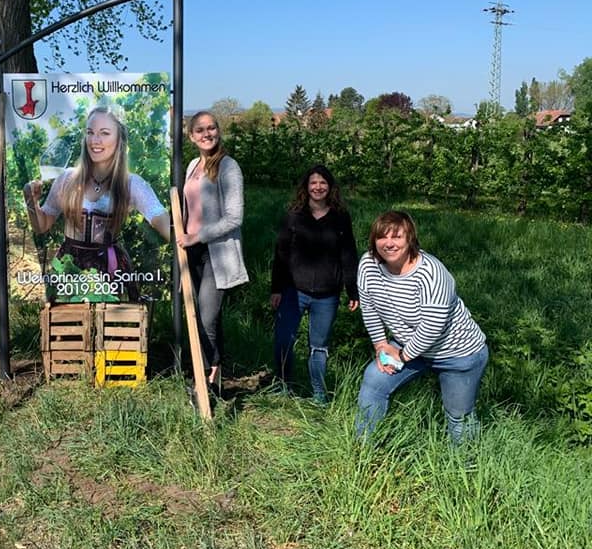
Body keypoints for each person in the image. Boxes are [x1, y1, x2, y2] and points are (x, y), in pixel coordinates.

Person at [355, 211, 488, 444]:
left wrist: (403, 355)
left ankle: (466, 468)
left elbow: (432, 326)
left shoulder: (431, 273)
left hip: (457, 352)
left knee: (458, 416)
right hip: (409, 345)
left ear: (410, 240)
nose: (388, 243)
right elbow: (369, 306)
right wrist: (381, 345)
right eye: (381, 237)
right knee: (374, 380)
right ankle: (361, 447)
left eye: (397, 237)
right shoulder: (368, 265)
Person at [25, 106, 170, 301]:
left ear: (119, 140)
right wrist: (31, 202)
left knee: (110, 328)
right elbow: (41, 226)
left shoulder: (131, 184)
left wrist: (185, 237)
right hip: (70, 267)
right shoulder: (68, 179)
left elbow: (164, 222)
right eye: (90, 133)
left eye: (104, 133)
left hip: (110, 267)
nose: (95, 140)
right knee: (68, 327)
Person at [269, 165, 359, 403]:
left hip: (327, 295)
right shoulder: (294, 216)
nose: (318, 187)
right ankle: (283, 385)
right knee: (283, 339)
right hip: (293, 290)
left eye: (322, 183)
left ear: (330, 187)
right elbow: (281, 254)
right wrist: (276, 289)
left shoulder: (340, 217)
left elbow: (349, 254)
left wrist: (352, 289)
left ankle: (319, 393)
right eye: (313, 183)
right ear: (306, 187)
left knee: (319, 347)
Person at [177, 111, 249, 393]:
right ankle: (213, 373)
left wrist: (197, 236)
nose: (207, 134)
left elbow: (235, 218)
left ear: (219, 131)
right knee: (205, 316)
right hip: (191, 252)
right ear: (191, 135)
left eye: (212, 128)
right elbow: (187, 207)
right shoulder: (194, 164)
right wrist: (182, 233)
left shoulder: (228, 167)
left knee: (206, 317)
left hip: (216, 254)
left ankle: (203, 383)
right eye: (200, 130)